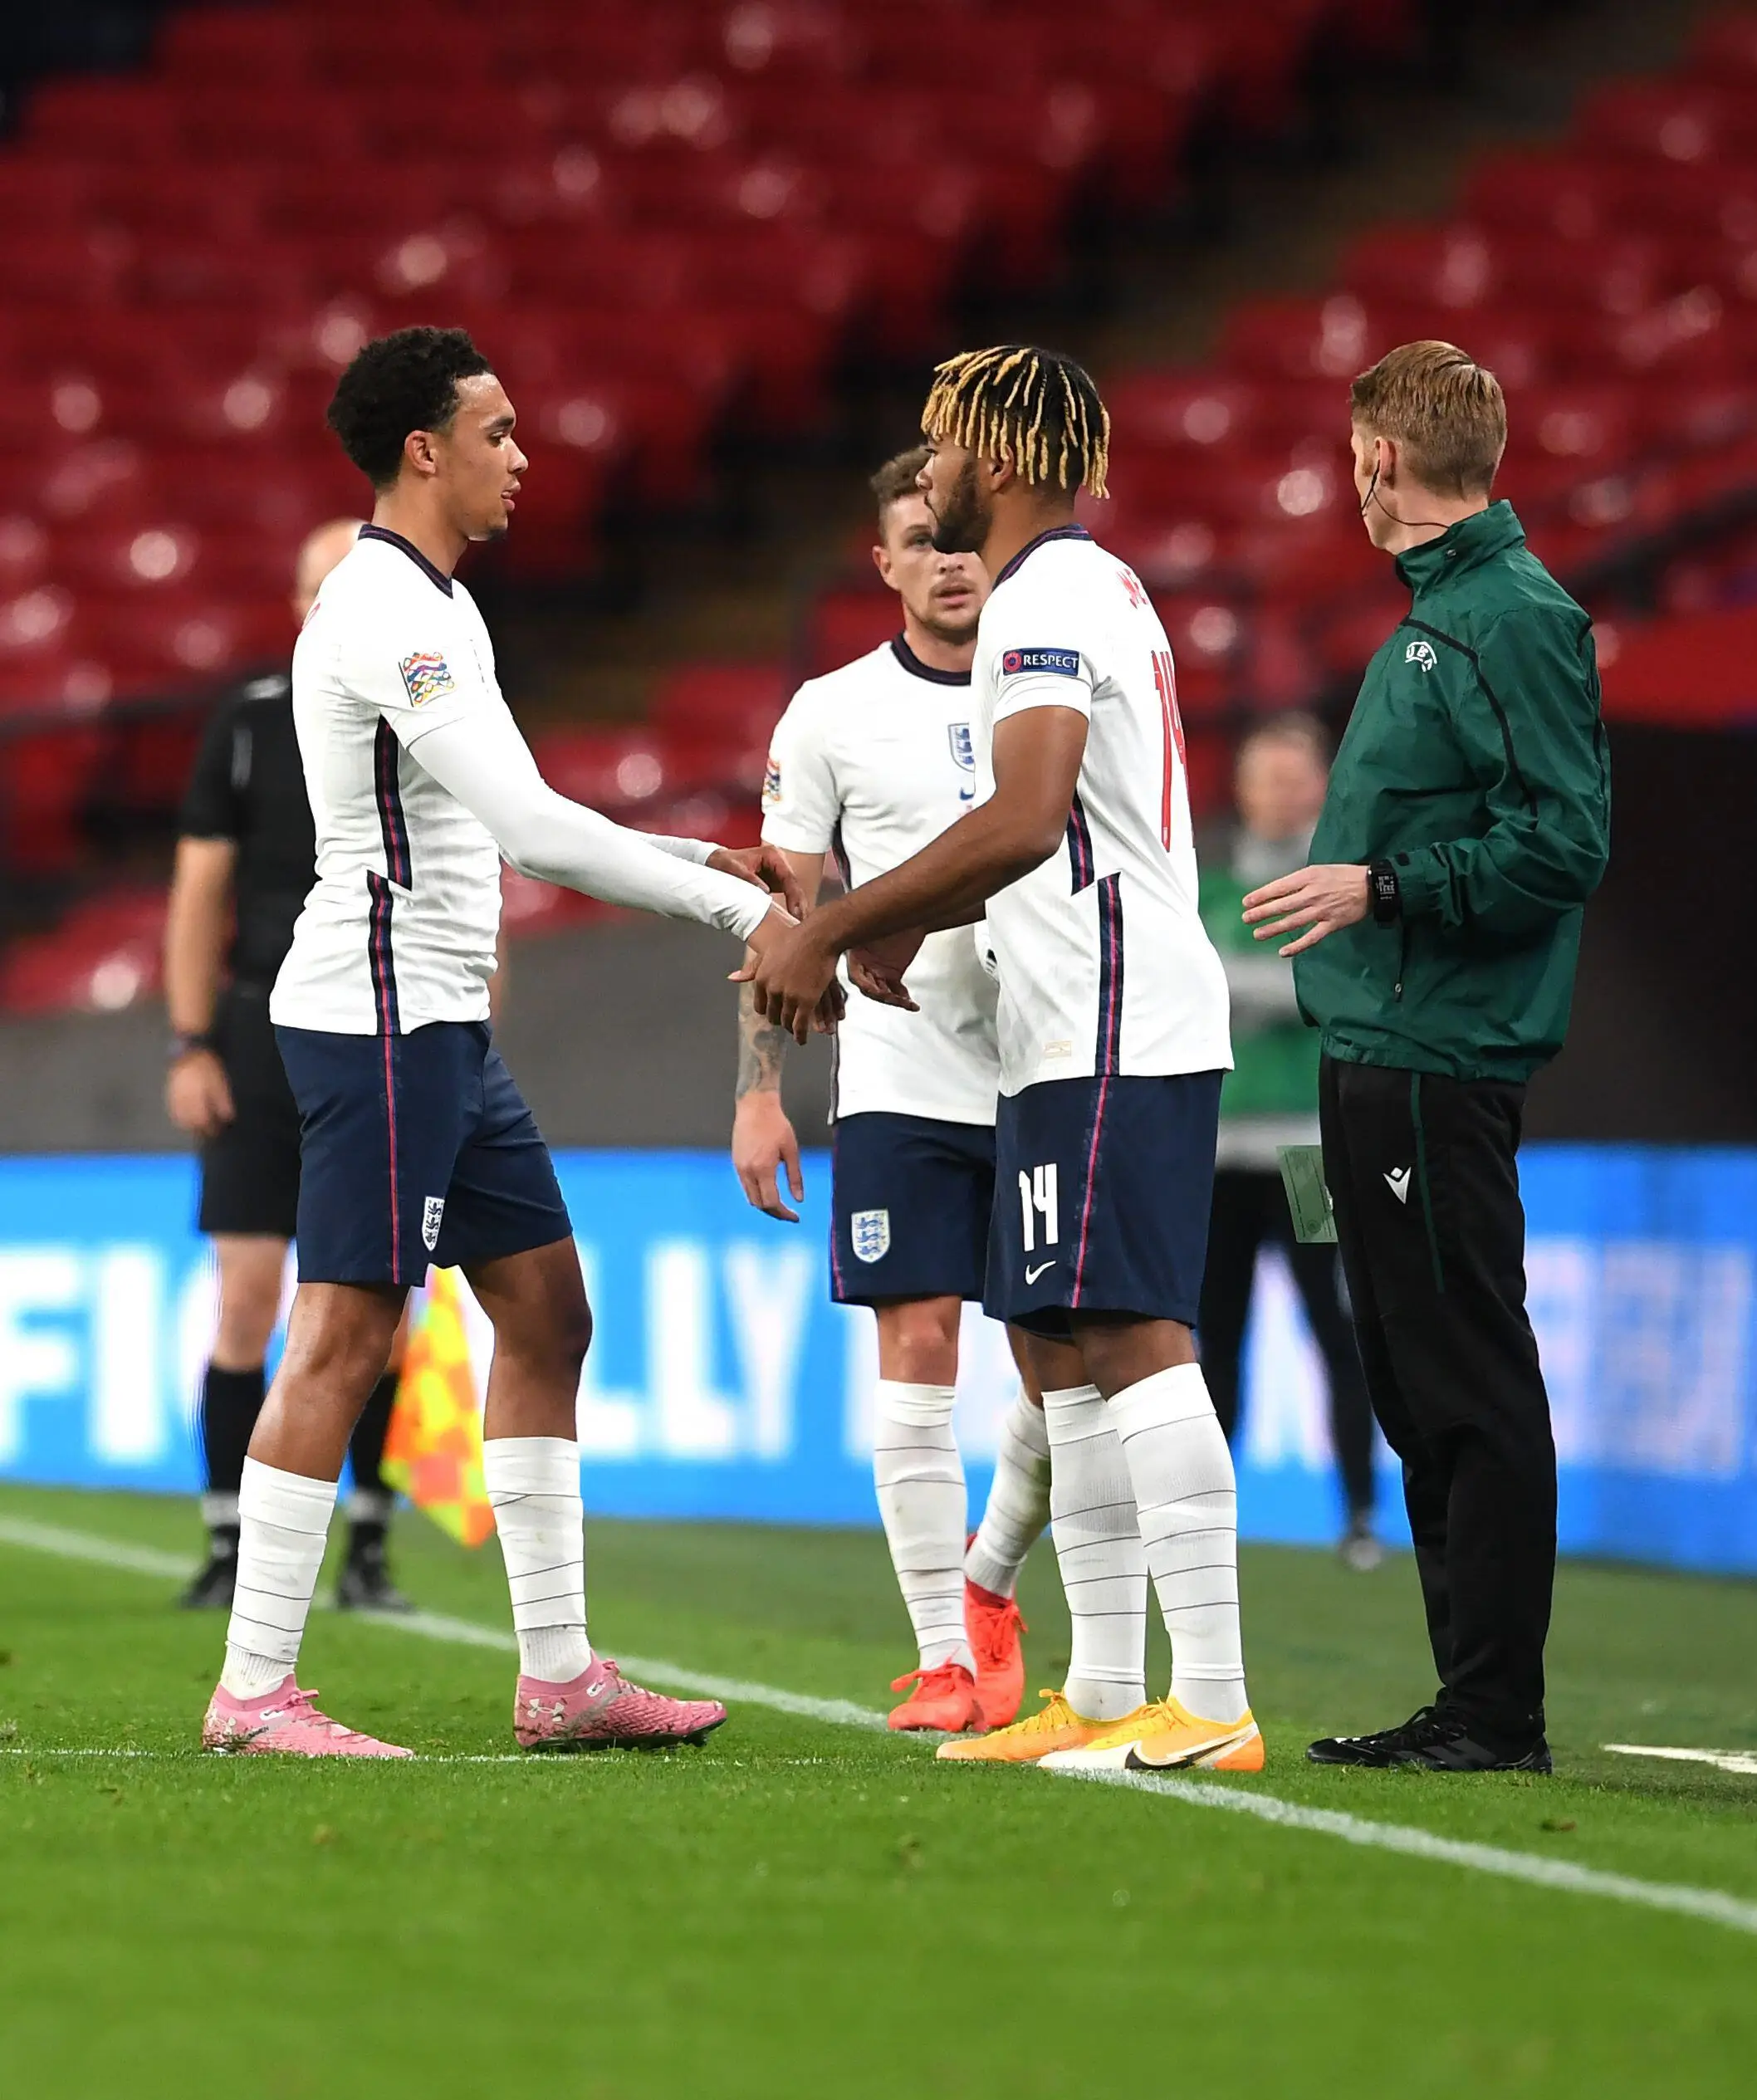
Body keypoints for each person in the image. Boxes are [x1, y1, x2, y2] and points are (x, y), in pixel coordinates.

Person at [201, 325, 810, 1757]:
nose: (523, 457)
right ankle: (254, 1687)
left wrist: (702, 847)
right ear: (427, 449)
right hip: (379, 1017)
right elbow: (538, 834)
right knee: (350, 1328)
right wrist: (734, 906)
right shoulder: (387, 613)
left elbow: (506, 821)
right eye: (499, 431)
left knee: (548, 1312)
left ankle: (560, 1676)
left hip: (444, 1027)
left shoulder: (439, 604)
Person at [743, 345, 1260, 1776]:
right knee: (1074, 1352)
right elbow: (1064, 816)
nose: (938, 468)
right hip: (1064, 1011)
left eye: (949, 444)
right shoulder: (1086, 590)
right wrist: (916, 923)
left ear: (1006, 458)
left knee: (1135, 1334)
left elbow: (1031, 814)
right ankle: (1101, 1693)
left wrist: (845, 919)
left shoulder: (1046, 594)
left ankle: (1210, 1693)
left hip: (1106, 1008)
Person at [1243, 340, 1610, 1774]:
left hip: (1438, 1054)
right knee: (1411, 1373)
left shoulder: (1507, 615)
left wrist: (1383, 886)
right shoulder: (1443, 615)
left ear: (1379, 460)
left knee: (1465, 1369)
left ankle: (1495, 1709)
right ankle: (1467, 1694)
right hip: (1376, 1045)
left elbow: (1565, 840)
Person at [733, 448, 1051, 1735]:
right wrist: (761, 1088)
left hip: (1049, 1058)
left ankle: (992, 1583)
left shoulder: (1055, 686)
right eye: (923, 539)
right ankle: (942, 1657)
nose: (951, 558)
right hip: (899, 1075)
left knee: (1058, 1368)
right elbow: (780, 913)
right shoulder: (829, 713)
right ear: (885, 561)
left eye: (966, 535)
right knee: (916, 1349)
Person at [167, 518, 423, 1614]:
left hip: (384, 1026)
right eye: (325, 591)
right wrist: (191, 1042)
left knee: (382, 1307)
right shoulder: (250, 721)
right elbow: (197, 893)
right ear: (296, 607)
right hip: (257, 1030)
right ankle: (230, 1545)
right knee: (248, 1297)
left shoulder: (424, 713)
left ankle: (368, 1549)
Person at [1196, 714, 1378, 1568]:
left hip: (1309, 1151)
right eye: (1264, 777)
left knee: (1336, 1329)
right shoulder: (1203, 885)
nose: (1279, 793)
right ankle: (1204, 1519)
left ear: (1320, 787)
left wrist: (1229, 982)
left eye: (1294, 777)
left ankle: (1359, 1517)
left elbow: (1338, 995)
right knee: (1211, 1336)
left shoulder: (1342, 885)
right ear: (1240, 790)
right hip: (1217, 1151)